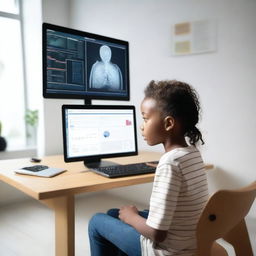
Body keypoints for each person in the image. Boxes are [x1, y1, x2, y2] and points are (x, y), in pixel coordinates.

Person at [88, 80, 209, 256]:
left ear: (168, 124)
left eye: (145, 118)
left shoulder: (169, 163)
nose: (141, 126)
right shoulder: (192, 154)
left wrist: (132, 217)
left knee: (96, 221)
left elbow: (157, 234)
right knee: (114, 213)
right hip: (188, 241)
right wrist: (131, 217)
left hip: (166, 251)